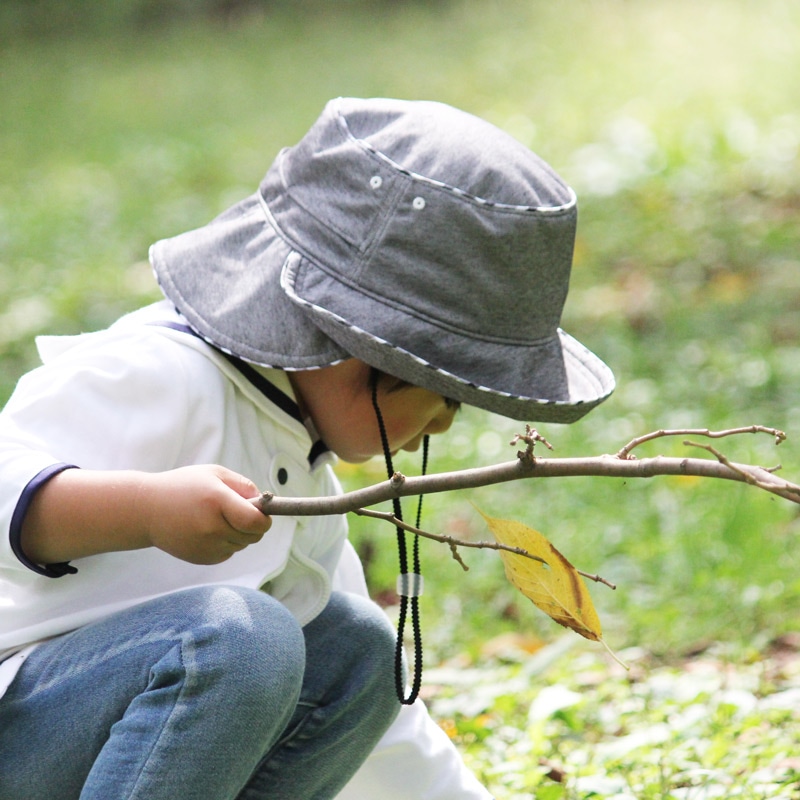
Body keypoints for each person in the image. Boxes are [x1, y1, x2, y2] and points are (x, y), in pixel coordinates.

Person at [0, 96, 615, 799]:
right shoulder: (160, 374)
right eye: (440, 387)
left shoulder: (302, 463)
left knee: (356, 651)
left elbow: (390, 738)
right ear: (347, 343)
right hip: (23, 721)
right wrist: (143, 509)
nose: (444, 423)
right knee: (237, 640)